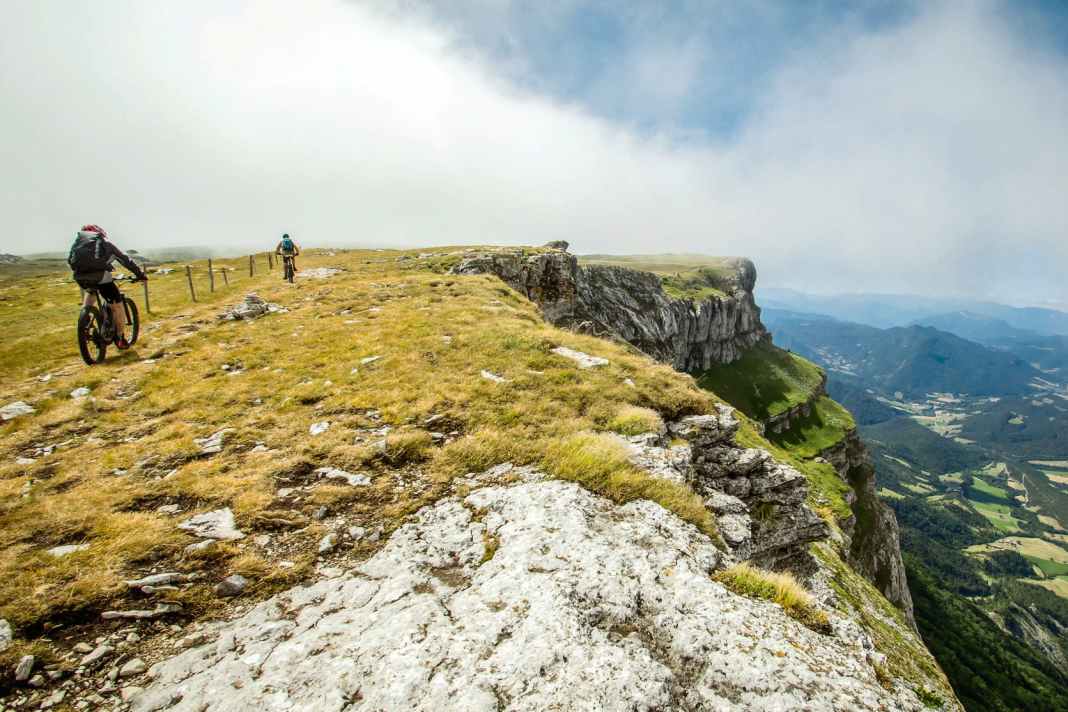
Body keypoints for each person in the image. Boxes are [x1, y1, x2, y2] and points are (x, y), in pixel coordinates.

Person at [67, 224, 147, 348]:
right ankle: (120, 339)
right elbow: (125, 260)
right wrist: (140, 274)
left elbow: (70, 261)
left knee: (91, 291)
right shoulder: (105, 242)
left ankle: (85, 319)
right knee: (117, 305)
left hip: (80, 277)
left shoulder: (78, 245)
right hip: (101, 277)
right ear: (100, 233)